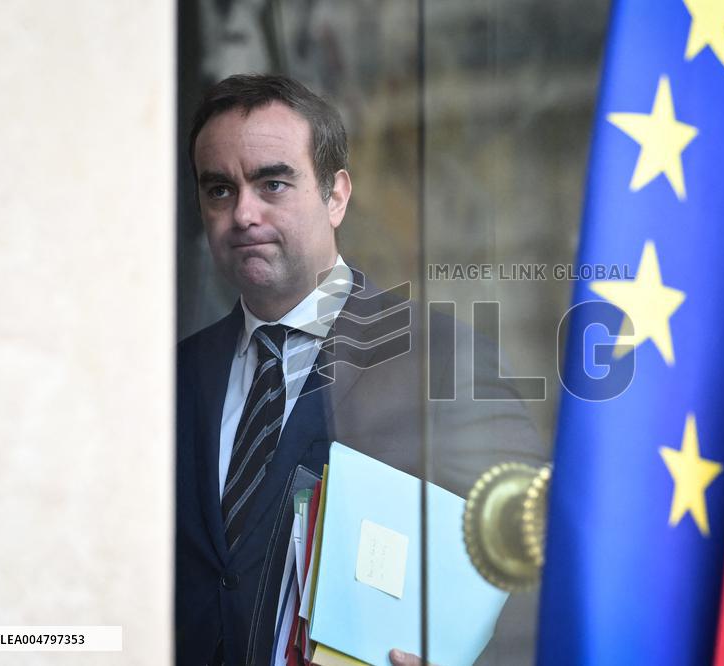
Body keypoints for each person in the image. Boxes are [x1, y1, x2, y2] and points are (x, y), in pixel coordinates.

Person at [176, 74, 544, 666]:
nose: (243, 212)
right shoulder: (172, 379)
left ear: (336, 195)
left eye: (273, 183)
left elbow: (538, 556)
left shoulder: (441, 361)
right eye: (220, 190)